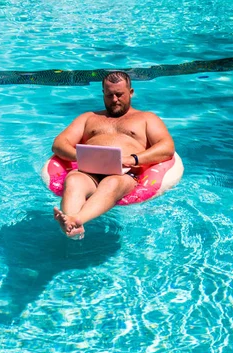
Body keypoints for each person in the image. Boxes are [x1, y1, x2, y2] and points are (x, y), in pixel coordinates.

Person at [52, 71, 175, 239]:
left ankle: (77, 220)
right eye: (109, 95)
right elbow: (59, 144)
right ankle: (70, 226)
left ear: (131, 93)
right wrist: (81, 157)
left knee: (112, 183)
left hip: (124, 173)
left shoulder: (146, 118)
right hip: (89, 171)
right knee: (73, 180)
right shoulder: (89, 117)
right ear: (103, 93)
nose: (115, 99)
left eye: (119, 94)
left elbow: (167, 147)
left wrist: (133, 159)